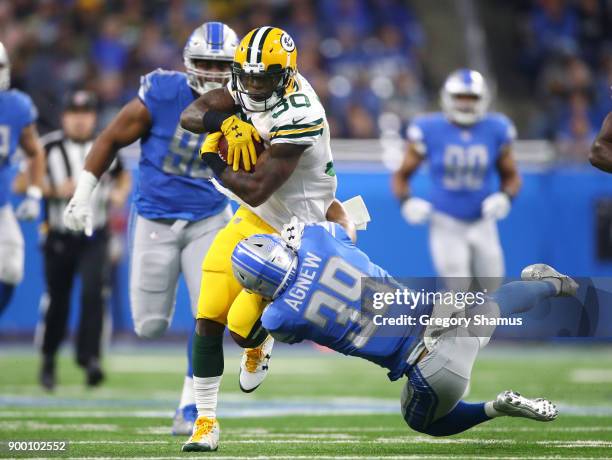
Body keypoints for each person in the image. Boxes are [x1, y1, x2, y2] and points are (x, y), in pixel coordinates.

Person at [230, 220, 579, 438]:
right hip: (443, 313)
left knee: (427, 424)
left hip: (429, 367)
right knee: (498, 301)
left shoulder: (279, 317)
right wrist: (300, 233)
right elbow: (341, 226)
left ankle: (495, 407)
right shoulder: (319, 241)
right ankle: (553, 285)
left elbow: (258, 329)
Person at [62, 22, 238, 435]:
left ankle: (192, 406)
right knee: (149, 325)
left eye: (221, 64)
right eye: (205, 63)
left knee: (211, 313)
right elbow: (108, 139)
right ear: (188, 64)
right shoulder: (161, 92)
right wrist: (83, 194)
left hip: (210, 218)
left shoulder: (246, 102)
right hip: (156, 217)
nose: (213, 73)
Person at [179, 27, 345, 452]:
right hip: (254, 218)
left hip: (298, 230)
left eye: (262, 79)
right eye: (246, 77)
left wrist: (212, 158)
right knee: (208, 313)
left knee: (240, 327)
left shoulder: (301, 111)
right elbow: (191, 114)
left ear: (286, 75)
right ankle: (205, 422)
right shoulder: (247, 79)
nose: (252, 86)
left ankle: (258, 344)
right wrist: (227, 120)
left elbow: (257, 187)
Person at [16, 90, 130, 390]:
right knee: (58, 301)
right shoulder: (48, 146)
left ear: (93, 117)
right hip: (59, 236)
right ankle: (49, 360)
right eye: (74, 114)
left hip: (96, 235)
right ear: (64, 117)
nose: (79, 121)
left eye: (85, 114)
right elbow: (21, 181)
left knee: (94, 294)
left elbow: (122, 175)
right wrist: (54, 190)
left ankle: (89, 358)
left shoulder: (104, 145)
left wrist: (119, 194)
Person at [392, 69, 521, 291]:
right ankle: (458, 327)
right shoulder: (429, 128)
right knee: (458, 288)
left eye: (471, 98)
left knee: (492, 288)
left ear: (483, 100)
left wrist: (505, 196)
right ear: (447, 98)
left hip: (482, 220)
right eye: (460, 97)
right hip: (446, 221)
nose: (465, 104)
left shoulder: (497, 128)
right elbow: (401, 175)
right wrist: (406, 202)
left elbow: (511, 176)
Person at [0, 41, 45, 316]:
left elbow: (35, 151)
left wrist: (34, 193)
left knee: (12, 268)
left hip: (1, 208)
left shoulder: (15, 105)